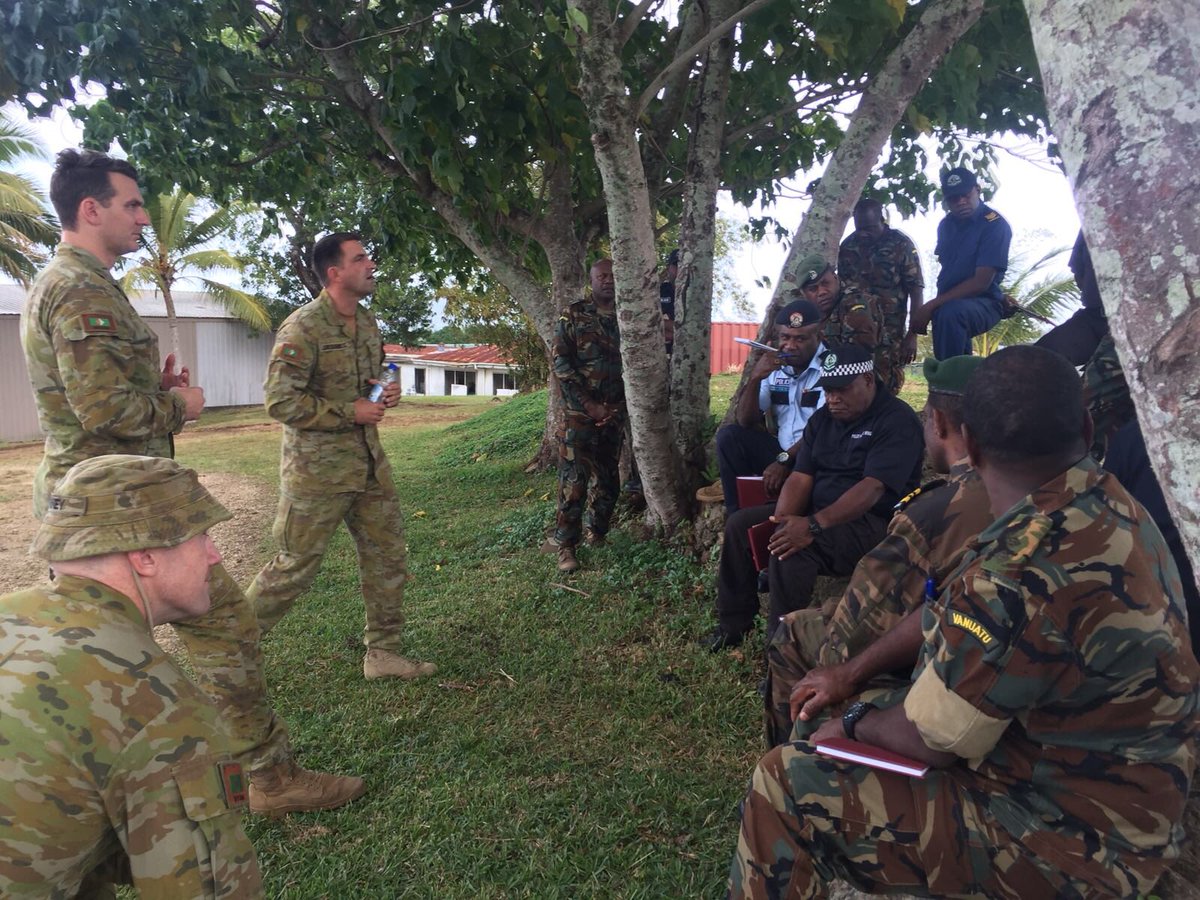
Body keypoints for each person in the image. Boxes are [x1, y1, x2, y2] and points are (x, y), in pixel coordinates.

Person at [729, 345, 1200, 900]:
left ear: (967, 443)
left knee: (785, 783)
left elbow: (935, 739)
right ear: (1087, 426)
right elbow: (953, 614)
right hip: (1129, 799)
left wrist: (853, 721)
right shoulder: (1109, 504)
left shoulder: (1017, 567)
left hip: (1070, 845)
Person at [20, 149, 362, 814]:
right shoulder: (80, 290)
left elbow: (94, 394)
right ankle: (259, 783)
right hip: (112, 513)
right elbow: (104, 412)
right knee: (201, 633)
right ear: (90, 209)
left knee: (129, 656)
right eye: (132, 205)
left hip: (109, 504)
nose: (144, 219)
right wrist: (181, 405)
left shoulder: (77, 282)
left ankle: (239, 782)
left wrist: (155, 387)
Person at [0, 455, 263, 897]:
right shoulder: (159, 705)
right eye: (202, 536)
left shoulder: (10, 613)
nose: (214, 555)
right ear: (145, 557)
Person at [763, 355, 992, 746]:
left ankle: (792, 756)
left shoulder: (931, 515)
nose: (833, 398)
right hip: (989, 656)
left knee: (794, 632)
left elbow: (856, 629)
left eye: (926, 418)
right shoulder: (1046, 494)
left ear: (937, 422)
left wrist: (841, 665)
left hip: (941, 678)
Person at [246, 232, 436, 684]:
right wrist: (350, 411)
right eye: (360, 258)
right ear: (335, 272)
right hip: (318, 474)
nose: (371, 264)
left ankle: (383, 653)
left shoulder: (367, 322)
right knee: (294, 566)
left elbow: (374, 376)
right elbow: (280, 402)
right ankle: (228, 648)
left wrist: (385, 390)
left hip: (368, 466)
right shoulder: (303, 327)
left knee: (387, 556)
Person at [701, 344, 924, 651]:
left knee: (793, 550)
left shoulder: (896, 420)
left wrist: (813, 525)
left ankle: (781, 648)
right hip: (818, 512)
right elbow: (801, 476)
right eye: (828, 390)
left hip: (873, 523)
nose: (833, 399)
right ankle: (733, 625)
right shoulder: (823, 419)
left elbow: (872, 489)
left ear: (868, 380)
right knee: (740, 525)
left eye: (841, 390)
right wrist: (781, 521)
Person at [703, 300, 825, 513]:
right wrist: (756, 378)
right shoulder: (776, 365)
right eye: (785, 337)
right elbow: (745, 420)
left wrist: (784, 460)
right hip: (783, 451)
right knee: (729, 436)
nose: (790, 346)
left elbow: (823, 429)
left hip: (815, 454)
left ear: (818, 337)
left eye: (800, 339)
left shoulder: (830, 366)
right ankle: (738, 512)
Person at [548, 257, 625, 574]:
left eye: (612, 275)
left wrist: (614, 409)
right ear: (591, 281)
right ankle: (566, 546)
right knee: (574, 482)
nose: (608, 280)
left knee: (609, 481)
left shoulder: (629, 316)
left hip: (615, 413)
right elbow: (561, 364)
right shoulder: (574, 315)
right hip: (579, 414)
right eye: (602, 276)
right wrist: (589, 405)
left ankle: (598, 533)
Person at [909, 165, 1013, 359]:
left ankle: (949, 378)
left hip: (985, 301)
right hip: (950, 303)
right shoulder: (945, 225)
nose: (961, 202)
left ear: (977, 190)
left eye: (965, 195)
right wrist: (935, 306)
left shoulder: (994, 224)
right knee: (947, 317)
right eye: (953, 198)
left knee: (950, 314)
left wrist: (930, 306)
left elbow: (981, 282)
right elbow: (948, 272)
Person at [837, 198, 925, 387]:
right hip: (855, 329)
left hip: (890, 329)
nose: (863, 234)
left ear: (882, 220)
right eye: (859, 228)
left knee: (887, 381)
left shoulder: (901, 244)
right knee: (855, 380)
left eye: (869, 228)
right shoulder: (848, 246)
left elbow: (916, 291)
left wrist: (913, 335)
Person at [790, 254, 901, 395]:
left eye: (826, 283)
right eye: (813, 289)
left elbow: (856, 360)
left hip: (868, 386)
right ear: (804, 294)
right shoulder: (808, 314)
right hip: (832, 381)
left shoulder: (856, 304)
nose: (822, 292)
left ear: (835, 278)